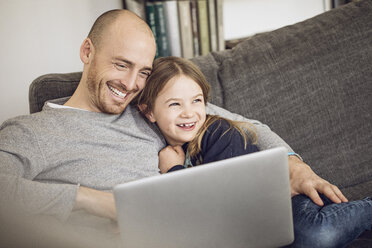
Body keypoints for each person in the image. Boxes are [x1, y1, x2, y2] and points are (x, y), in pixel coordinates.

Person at [0, 8, 352, 246]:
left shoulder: (150, 105)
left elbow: (250, 126)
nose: (130, 83)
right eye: (121, 65)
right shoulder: (34, 132)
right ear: (87, 51)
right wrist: (95, 202)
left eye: (143, 71)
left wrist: (294, 165)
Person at [137, 56, 372, 247]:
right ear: (149, 112)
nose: (189, 113)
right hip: (256, 228)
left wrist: (174, 170)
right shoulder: (161, 147)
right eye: (175, 104)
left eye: (196, 101)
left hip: (285, 206)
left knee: (314, 236)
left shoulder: (219, 134)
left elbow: (216, 208)